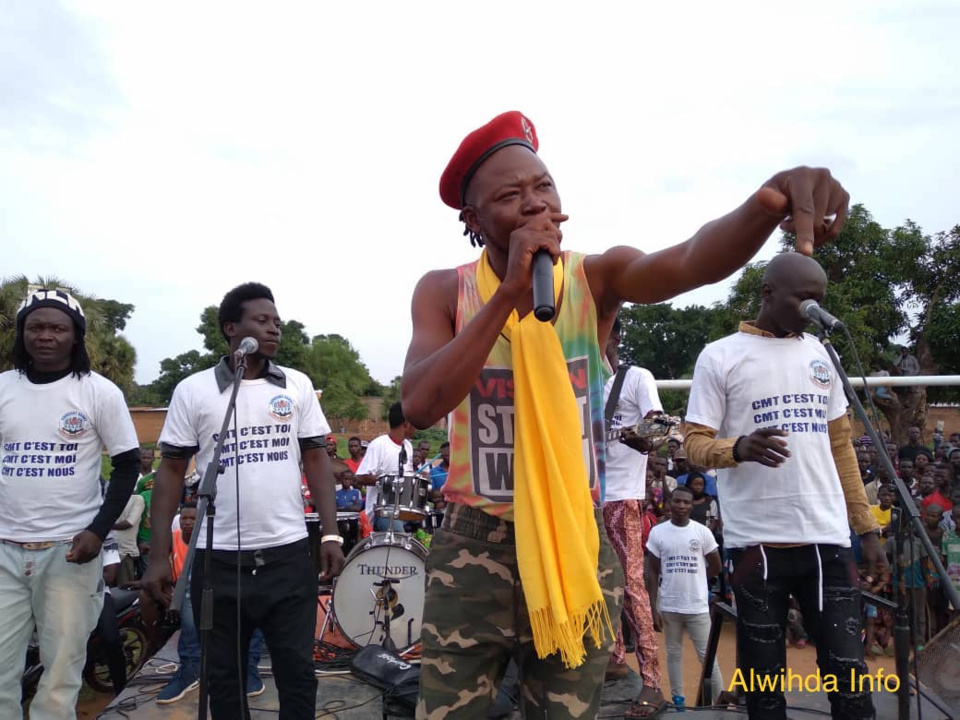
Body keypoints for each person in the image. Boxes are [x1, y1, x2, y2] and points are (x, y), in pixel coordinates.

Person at [402, 110, 852, 719]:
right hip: (473, 547)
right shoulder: (444, 290)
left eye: (544, 186)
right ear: (474, 220)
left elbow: (690, 259)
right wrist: (509, 293)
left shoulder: (595, 277)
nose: (535, 203)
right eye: (509, 196)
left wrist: (767, 203)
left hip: (575, 539)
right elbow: (421, 403)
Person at [683, 252, 886, 719]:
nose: (812, 308)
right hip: (757, 542)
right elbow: (693, 443)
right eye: (803, 298)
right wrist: (737, 448)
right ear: (767, 293)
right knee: (763, 685)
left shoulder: (822, 353)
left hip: (826, 539)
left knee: (850, 679)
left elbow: (841, 448)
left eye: (819, 300)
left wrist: (867, 529)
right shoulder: (720, 355)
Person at [142, 282, 344, 720]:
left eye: (277, 322)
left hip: (287, 556)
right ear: (231, 328)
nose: (274, 329)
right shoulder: (193, 390)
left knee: (297, 674)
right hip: (218, 563)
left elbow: (316, 458)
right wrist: (159, 555)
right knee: (225, 680)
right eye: (262, 320)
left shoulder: (297, 384)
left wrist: (330, 533)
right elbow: (171, 471)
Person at [0, 288, 140, 719]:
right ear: (22, 333)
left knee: (61, 674)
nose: (45, 336)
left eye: (57, 328)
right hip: (4, 549)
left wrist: (97, 531)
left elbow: (127, 464)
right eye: (36, 327)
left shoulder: (99, 392)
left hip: (69, 551)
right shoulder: (3, 387)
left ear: (75, 335)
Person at [601, 316, 664, 699]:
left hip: (622, 497)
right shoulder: (582, 385)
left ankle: (652, 681)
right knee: (598, 583)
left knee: (632, 587)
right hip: (587, 498)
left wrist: (638, 435)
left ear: (615, 335)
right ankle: (614, 658)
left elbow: (659, 426)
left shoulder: (635, 378)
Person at [156, 502, 266, 704]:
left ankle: (248, 666)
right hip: (210, 536)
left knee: (252, 598)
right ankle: (192, 668)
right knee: (191, 597)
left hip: (251, 532)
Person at [645, 485, 724, 709]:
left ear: (691, 506)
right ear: (670, 504)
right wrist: (653, 607)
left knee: (707, 658)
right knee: (673, 654)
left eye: (686, 502)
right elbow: (652, 572)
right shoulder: (658, 532)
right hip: (670, 606)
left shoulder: (702, 532)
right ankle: (678, 701)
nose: (681, 506)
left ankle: (721, 704)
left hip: (697, 606)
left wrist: (698, 579)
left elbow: (716, 566)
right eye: (677, 501)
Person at [354, 402, 416, 531]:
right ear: (406, 423)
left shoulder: (408, 446)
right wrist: (387, 481)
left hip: (404, 508)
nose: (416, 427)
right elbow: (359, 477)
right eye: (414, 422)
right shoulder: (379, 445)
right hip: (382, 510)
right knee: (398, 536)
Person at [113, 490, 145, 585]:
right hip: (108, 550)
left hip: (125, 551)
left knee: (124, 586)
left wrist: (106, 526)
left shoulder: (137, 500)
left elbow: (129, 523)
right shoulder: (111, 499)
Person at [135, 446, 156, 575]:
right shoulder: (133, 476)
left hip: (149, 526)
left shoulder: (156, 476)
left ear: (154, 459)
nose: (146, 460)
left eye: (149, 457)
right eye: (144, 457)